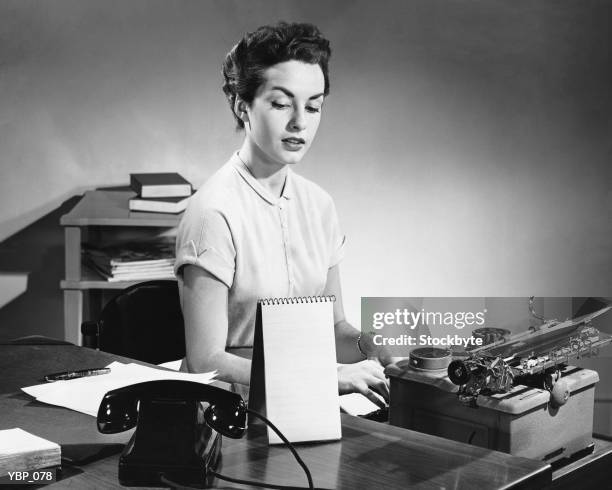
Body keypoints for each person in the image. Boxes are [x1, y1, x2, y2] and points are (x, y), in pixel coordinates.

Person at [175, 22, 392, 407]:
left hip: (303, 405)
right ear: (243, 106)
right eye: (280, 103)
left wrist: (369, 346)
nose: (300, 122)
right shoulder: (213, 213)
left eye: (313, 105)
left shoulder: (319, 205)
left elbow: (334, 327)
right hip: (226, 415)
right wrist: (327, 378)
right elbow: (205, 360)